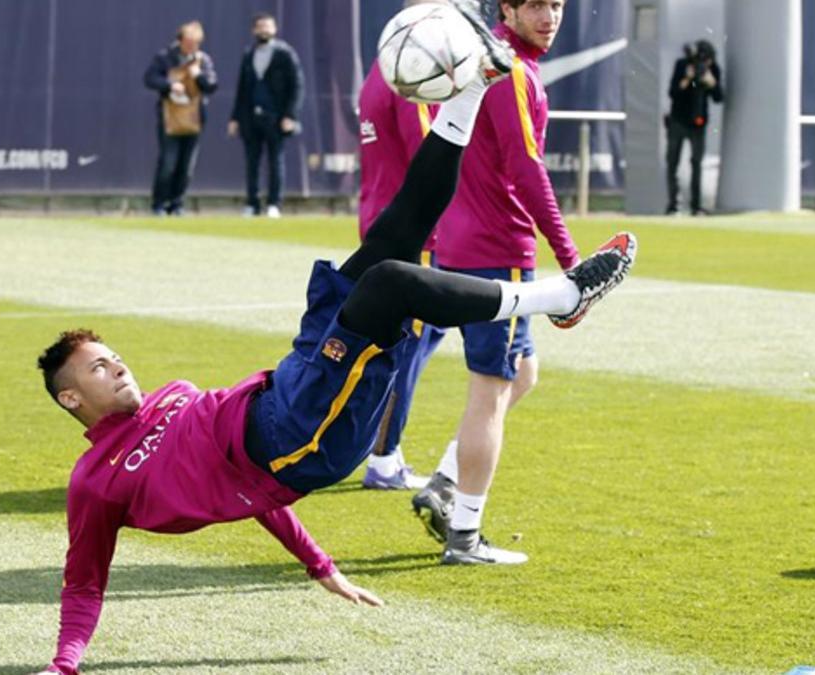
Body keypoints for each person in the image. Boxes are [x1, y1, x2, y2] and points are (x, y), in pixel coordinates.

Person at [32, 8, 636, 670]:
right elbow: (83, 582)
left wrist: (318, 564)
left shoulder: (169, 397)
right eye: (96, 368)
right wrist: (64, 664)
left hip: (286, 386)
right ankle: (561, 297)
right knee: (389, 283)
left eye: (110, 355)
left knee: (389, 240)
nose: (115, 366)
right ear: (70, 399)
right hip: (297, 439)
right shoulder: (94, 481)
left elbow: (254, 504)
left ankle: (473, 86)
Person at [410, 0, 580, 566]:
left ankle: (443, 483)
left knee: (521, 375)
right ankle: (464, 536)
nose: (550, 15)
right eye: (536, 5)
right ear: (507, 7)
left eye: (556, 4)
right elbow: (525, 168)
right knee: (489, 391)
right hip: (497, 253)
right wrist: (570, 255)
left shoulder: (493, 61)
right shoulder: (509, 70)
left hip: (468, 245)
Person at [355, 1, 442, 491]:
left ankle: (384, 447)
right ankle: (384, 456)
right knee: (407, 345)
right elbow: (429, 154)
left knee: (415, 338)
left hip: (382, 217)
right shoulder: (411, 74)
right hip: (413, 228)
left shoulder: (379, 69)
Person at [228, 12, 304, 219]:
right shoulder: (248, 54)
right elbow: (242, 89)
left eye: (268, 26)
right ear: (254, 30)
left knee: (275, 161)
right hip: (251, 118)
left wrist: (290, 115)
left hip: (276, 118)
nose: (264, 30)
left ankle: (274, 204)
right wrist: (235, 118)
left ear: (274, 29)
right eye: (260, 27)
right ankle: (252, 203)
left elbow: (297, 86)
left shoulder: (285, 54)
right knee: (251, 162)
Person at [144, 20, 219, 216]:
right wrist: (170, 85)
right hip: (170, 119)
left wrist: (198, 76)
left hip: (194, 120)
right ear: (180, 40)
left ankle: (176, 204)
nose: (191, 47)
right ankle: (159, 203)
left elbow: (211, 86)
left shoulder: (203, 60)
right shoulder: (164, 57)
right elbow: (150, 79)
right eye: (188, 42)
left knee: (186, 167)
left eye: (195, 43)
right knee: (168, 163)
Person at [665, 39, 724, 215]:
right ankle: (673, 205)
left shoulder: (713, 70)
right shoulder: (682, 65)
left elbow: (719, 97)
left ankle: (696, 206)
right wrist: (687, 78)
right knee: (672, 162)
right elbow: (673, 92)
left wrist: (712, 82)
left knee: (696, 163)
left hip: (698, 123)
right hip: (677, 120)